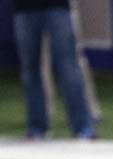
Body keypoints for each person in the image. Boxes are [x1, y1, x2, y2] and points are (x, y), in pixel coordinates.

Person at [12, 0, 97, 139]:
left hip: (58, 5)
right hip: (25, 7)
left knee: (69, 67)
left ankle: (83, 127)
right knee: (30, 68)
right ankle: (36, 127)